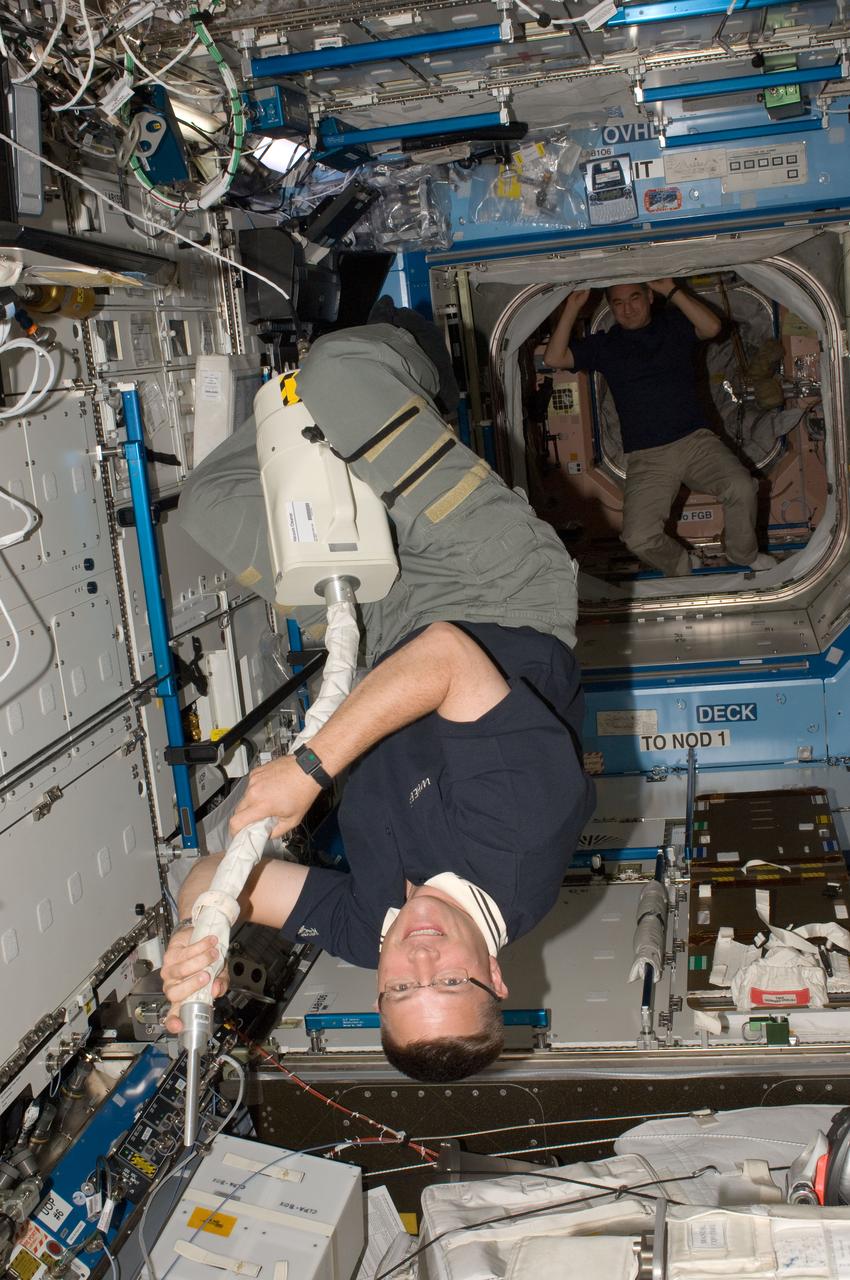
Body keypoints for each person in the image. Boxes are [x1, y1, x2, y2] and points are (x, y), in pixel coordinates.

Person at [161, 309, 595, 1082]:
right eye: (449, 982)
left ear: (378, 989)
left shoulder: (369, 932)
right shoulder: (520, 845)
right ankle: (417, 360)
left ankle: (345, 426)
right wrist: (309, 771)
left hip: (382, 635)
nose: (419, 960)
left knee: (212, 501)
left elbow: (213, 876)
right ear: (496, 979)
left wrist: (202, 931)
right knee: (339, 369)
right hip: (493, 592)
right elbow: (449, 658)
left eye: (401, 989)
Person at [543, 279, 777, 577]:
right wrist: (572, 306)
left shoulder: (673, 326)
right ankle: (682, 564)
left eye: (634, 298)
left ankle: (743, 553)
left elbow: (712, 328)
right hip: (648, 457)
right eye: (618, 303)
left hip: (695, 442)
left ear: (649, 297)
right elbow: (554, 358)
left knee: (741, 486)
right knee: (637, 537)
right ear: (611, 307)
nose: (628, 309)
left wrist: (672, 290)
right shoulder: (605, 345)